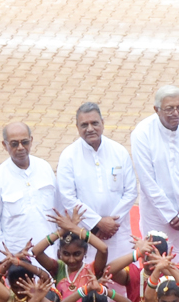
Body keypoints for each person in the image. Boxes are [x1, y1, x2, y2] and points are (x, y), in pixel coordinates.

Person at [129, 86, 179, 267]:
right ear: (156, 110)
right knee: (158, 265)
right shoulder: (142, 133)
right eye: (169, 109)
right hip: (158, 216)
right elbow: (148, 181)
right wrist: (170, 214)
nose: (176, 113)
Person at [56, 102, 137, 262]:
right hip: (87, 233)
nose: (90, 129)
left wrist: (111, 224)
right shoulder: (68, 156)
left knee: (121, 281)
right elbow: (68, 198)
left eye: (94, 123)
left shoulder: (118, 151)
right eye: (84, 125)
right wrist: (98, 223)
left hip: (118, 232)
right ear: (77, 127)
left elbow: (131, 192)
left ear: (103, 123)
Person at [0, 121, 58, 266]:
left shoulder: (44, 168)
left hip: (51, 254)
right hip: (18, 260)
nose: (21, 148)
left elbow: (58, 211)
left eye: (24, 142)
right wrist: (3, 261)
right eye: (14, 144)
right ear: (5, 145)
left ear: (31, 141)